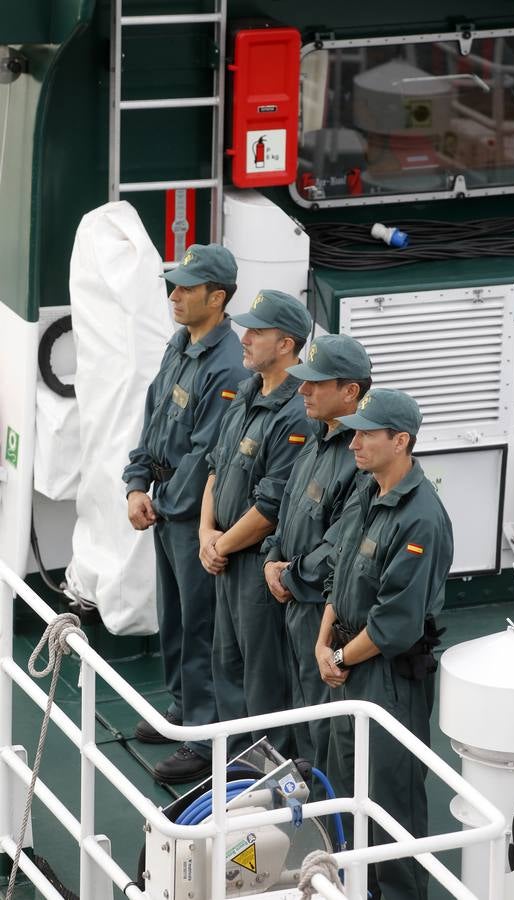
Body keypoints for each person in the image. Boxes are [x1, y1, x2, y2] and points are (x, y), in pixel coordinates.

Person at [315, 388, 453, 900]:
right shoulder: (367, 491)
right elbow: (340, 567)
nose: (354, 443)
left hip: (386, 678)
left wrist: (335, 656)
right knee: (342, 787)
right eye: (355, 431)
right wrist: (325, 640)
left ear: (401, 441)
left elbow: (395, 623)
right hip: (346, 663)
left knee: (391, 805)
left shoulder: (422, 519)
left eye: (368, 434)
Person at [123, 243, 247, 784]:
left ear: (216, 298)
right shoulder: (181, 344)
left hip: (192, 515)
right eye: (173, 285)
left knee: (199, 627)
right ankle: (180, 710)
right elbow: (154, 419)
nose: (174, 295)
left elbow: (205, 453)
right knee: (173, 617)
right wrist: (135, 484)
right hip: (165, 508)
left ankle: (202, 736)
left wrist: (166, 504)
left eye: (186, 288)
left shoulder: (226, 365)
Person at [199, 290, 313, 759]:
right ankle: (238, 774)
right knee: (227, 667)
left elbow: (271, 508)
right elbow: (216, 466)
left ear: (286, 344)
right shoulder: (248, 392)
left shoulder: (293, 412)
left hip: (250, 563)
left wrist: (220, 544)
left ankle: (273, 783)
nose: (244, 339)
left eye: (257, 332)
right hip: (224, 553)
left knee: (263, 680)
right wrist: (206, 534)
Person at [262, 334, 372, 775]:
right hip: (293, 601)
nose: (303, 389)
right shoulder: (317, 438)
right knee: (303, 714)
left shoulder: (359, 456)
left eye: (316, 383)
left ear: (350, 392)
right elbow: (287, 509)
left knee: (327, 728)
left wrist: (288, 576)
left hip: (319, 609)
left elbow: (341, 546)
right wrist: (271, 557)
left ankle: (336, 826)